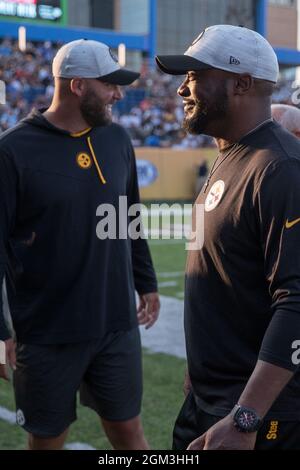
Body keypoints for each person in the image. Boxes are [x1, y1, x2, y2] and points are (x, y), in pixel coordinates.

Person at [0, 39, 160, 450]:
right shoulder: (13, 151)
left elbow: (130, 219)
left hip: (116, 325)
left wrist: (147, 282)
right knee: (47, 439)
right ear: (77, 86)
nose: (118, 95)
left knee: (129, 434)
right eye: (109, 85)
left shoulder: (117, 141)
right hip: (47, 332)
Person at [156, 25, 300, 450]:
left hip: (256, 414)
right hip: (210, 398)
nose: (183, 89)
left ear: (241, 83)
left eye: (196, 75)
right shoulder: (232, 157)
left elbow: (296, 300)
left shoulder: (280, 169)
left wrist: (246, 418)